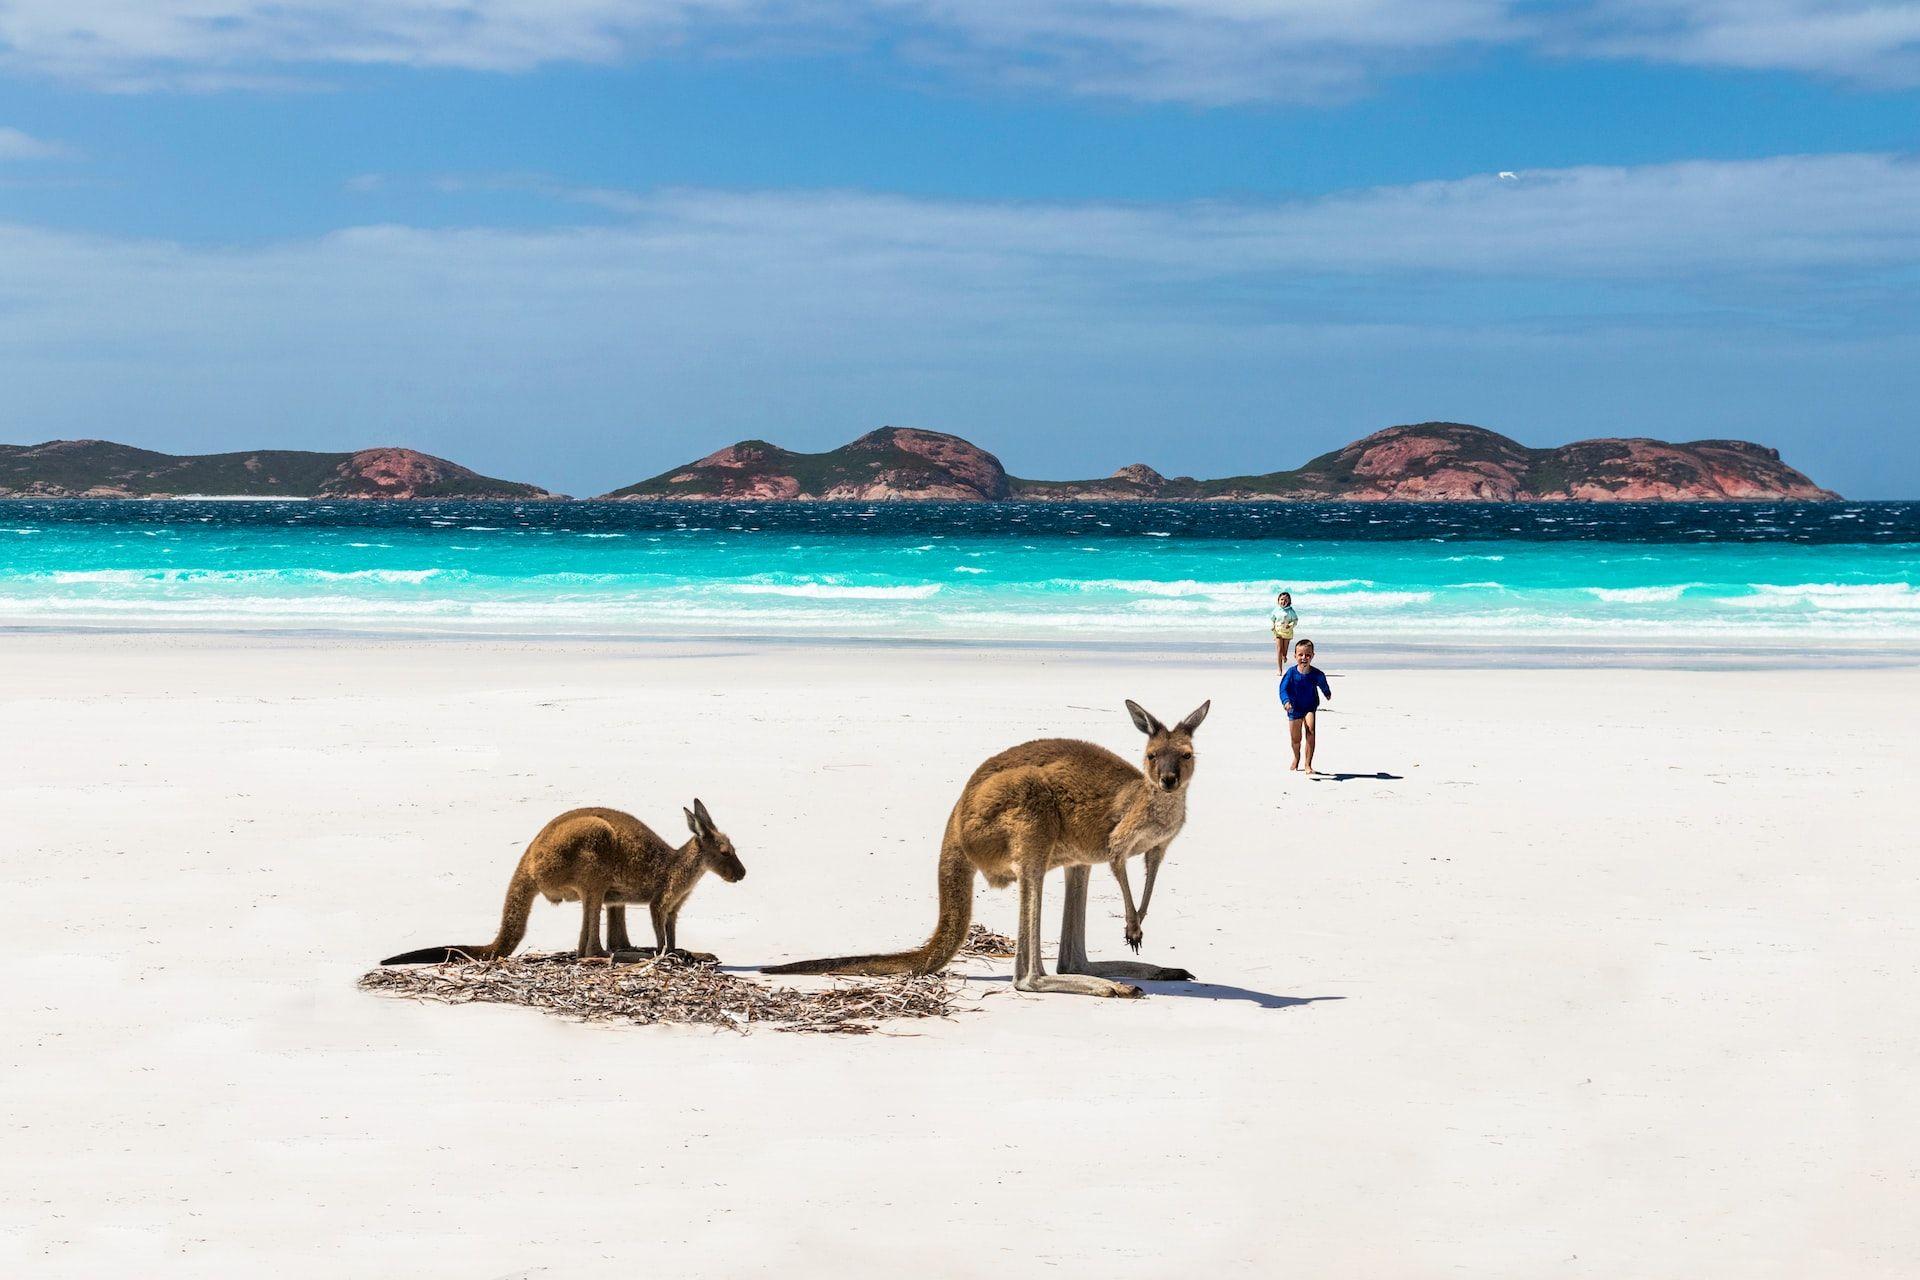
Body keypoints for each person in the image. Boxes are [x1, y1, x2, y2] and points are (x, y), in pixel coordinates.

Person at [1278, 638, 1332, 773]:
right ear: (1295, 656)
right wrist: (1286, 702)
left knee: (1310, 731)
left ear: (1313, 656)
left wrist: (1327, 692)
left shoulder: (1316, 674)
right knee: (1296, 739)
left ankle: (1308, 764)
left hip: (1309, 707)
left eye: (1308, 655)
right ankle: (1296, 757)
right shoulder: (1291, 673)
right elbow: (1283, 689)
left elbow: (1322, 682)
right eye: (1300, 655)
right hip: (1294, 708)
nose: (1304, 657)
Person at [1269, 591, 1298, 672]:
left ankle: (1284, 656)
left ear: (1289, 601)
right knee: (1279, 649)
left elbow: (1295, 620)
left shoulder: (1290, 611)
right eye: (1281, 599)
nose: (1283, 602)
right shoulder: (1276, 610)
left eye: (1286, 600)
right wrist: (1272, 626)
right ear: (1278, 600)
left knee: (1284, 651)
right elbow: (1272, 619)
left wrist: (1290, 625)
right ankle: (1279, 669)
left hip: (1287, 632)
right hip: (1277, 632)